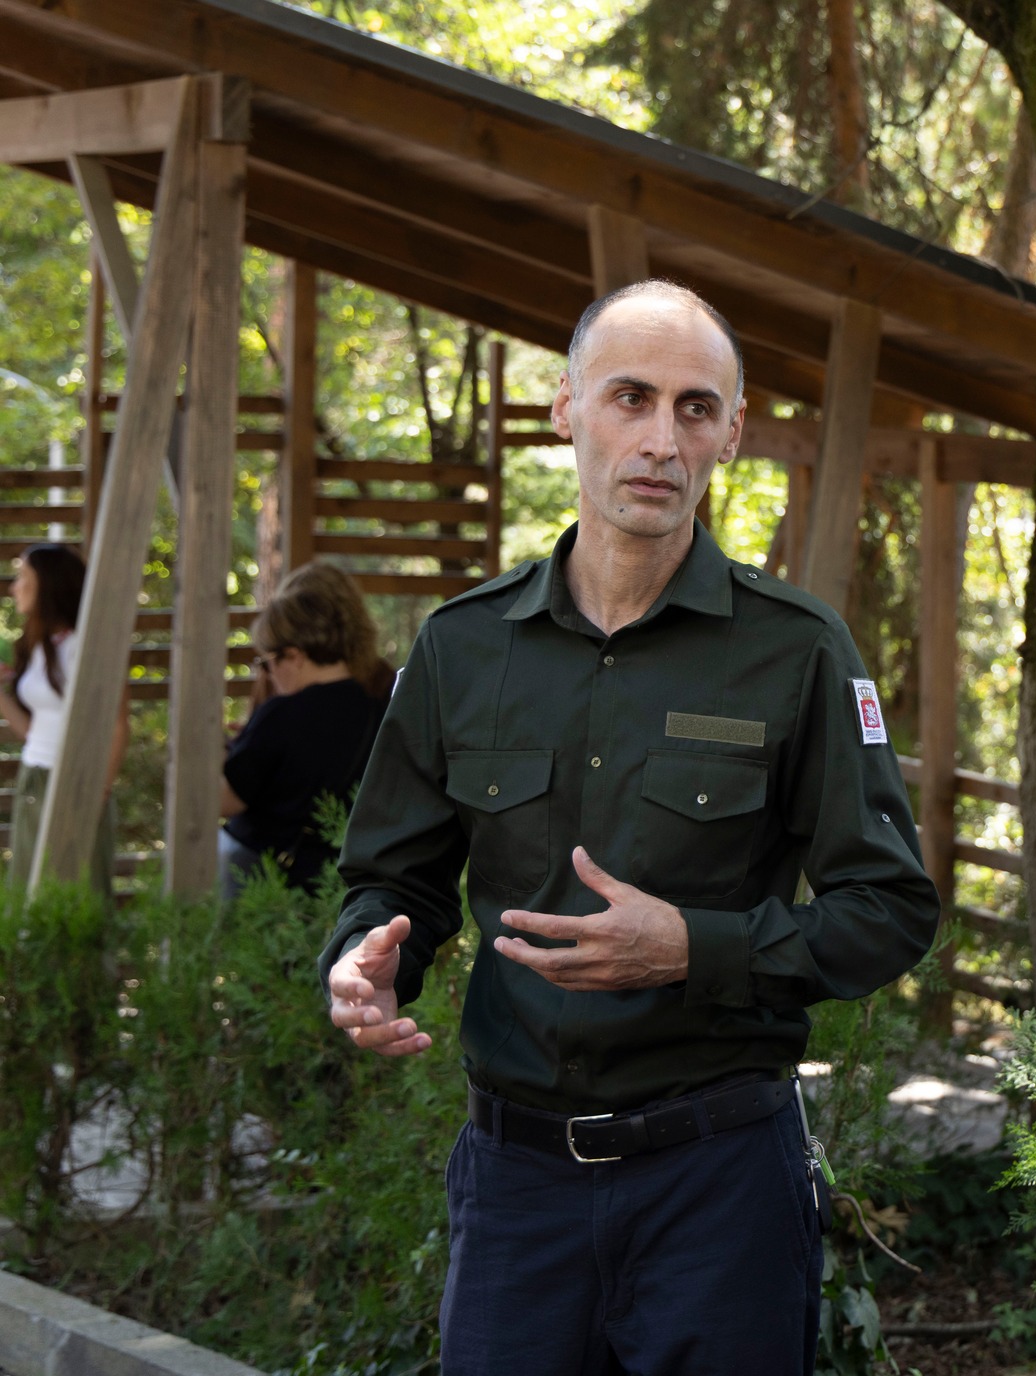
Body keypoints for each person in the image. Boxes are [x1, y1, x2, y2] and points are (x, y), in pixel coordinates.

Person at [318, 279, 940, 1376]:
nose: (661, 440)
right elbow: (393, 880)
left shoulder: (798, 651)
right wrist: (368, 960)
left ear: (731, 433)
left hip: (719, 1189)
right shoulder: (464, 646)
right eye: (630, 398)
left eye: (695, 409)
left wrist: (694, 947)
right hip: (517, 1192)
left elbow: (888, 909)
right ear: (566, 408)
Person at [219, 562, 386, 900]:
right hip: (336, 873)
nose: (267, 673)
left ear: (294, 654)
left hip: (263, 869)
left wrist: (218, 747)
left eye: (267, 662)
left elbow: (227, 799)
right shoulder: (378, 697)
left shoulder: (283, 712)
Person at [0, 544, 125, 897]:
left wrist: (99, 789)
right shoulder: (41, 646)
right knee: (32, 892)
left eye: (22, 577)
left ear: (48, 584)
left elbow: (118, 723)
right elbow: (33, 732)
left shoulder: (87, 646)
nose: (13, 587)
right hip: (34, 777)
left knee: (83, 893)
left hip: (77, 780)